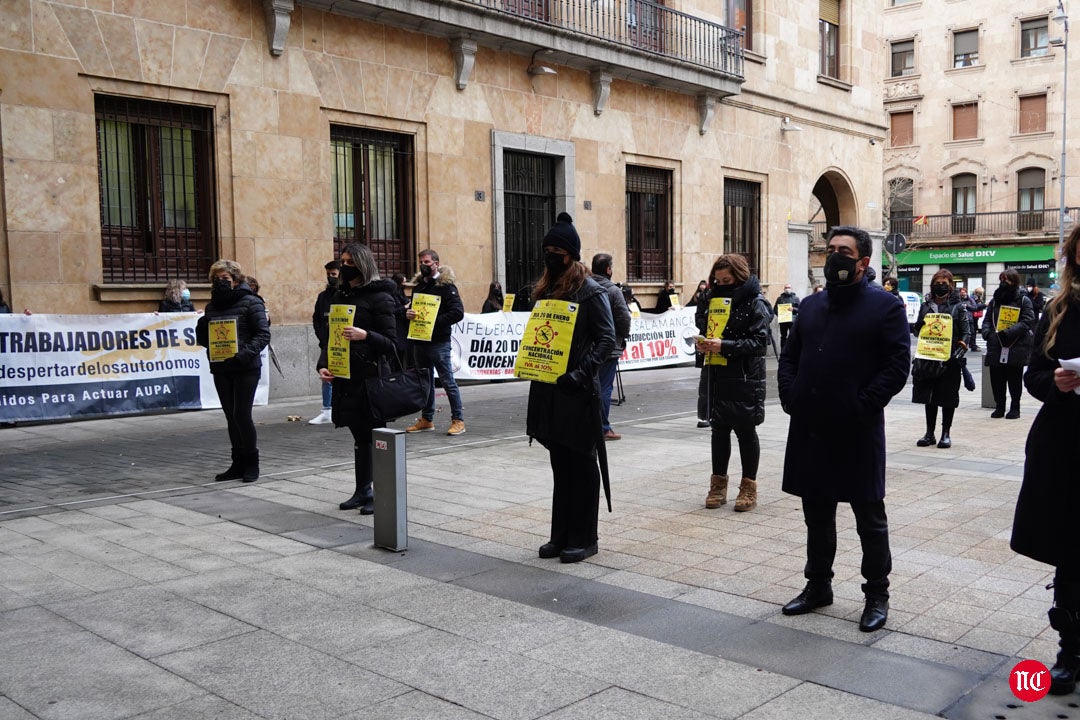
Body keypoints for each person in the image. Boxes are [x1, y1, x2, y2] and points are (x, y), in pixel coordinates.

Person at [777, 226, 910, 633]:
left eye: (844, 251)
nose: (834, 256)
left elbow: (896, 366)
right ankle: (818, 586)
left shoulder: (885, 306)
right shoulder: (812, 305)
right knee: (816, 516)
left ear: (863, 261)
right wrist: (790, 395)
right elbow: (790, 356)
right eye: (831, 249)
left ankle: (876, 594)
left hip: (856, 430)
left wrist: (862, 403)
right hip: (811, 426)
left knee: (869, 517)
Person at [1010, 226, 1080, 695]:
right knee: (1071, 552)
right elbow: (1034, 372)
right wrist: (1052, 382)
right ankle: (1070, 650)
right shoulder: (1059, 309)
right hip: (1065, 445)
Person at [526, 213, 616, 563]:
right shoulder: (546, 289)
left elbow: (606, 339)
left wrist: (581, 373)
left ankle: (584, 537)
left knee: (580, 463)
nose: (550, 254)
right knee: (560, 465)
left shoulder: (590, 291)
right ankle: (560, 534)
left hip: (577, 392)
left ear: (572, 254)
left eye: (557, 250)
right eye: (547, 248)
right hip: (549, 389)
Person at [316, 244, 398, 513]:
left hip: (372, 378)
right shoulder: (340, 296)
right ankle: (362, 489)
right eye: (343, 261)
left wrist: (366, 336)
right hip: (346, 376)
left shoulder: (381, 297)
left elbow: (393, 343)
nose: (345, 267)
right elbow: (330, 337)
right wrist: (323, 365)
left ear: (363, 264)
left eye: (350, 262)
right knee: (358, 437)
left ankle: (381, 492)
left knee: (376, 437)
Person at [694, 254, 770, 512]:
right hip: (716, 370)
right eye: (718, 280)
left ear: (739, 276)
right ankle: (718, 485)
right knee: (718, 429)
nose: (722, 284)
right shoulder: (710, 297)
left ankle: (748, 487)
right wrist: (704, 339)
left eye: (727, 280)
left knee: (746, 431)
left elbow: (760, 344)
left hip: (745, 374)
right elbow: (702, 324)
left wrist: (724, 345)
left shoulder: (755, 302)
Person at [195, 260, 271, 483]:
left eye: (225, 279)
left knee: (242, 414)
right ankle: (237, 462)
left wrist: (243, 355)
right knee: (230, 415)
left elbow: (263, 335)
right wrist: (202, 329)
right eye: (216, 280)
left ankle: (251, 463)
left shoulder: (251, 302)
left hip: (245, 366)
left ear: (236, 281)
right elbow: (206, 340)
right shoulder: (212, 306)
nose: (220, 283)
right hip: (221, 366)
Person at [405, 248, 466, 435]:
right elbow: (414, 310)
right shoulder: (418, 288)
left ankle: (458, 420)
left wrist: (434, 322)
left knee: (447, 381)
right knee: (425, 382)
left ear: (436, 264)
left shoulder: (447, 287)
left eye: (427, 262)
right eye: (421, 263)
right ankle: (427, 419)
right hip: (420, 341)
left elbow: (457, 312)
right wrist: (408, 314)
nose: (423, 265)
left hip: (438, 342)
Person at [910, 270, 969, 449]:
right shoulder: (926, 305)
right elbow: (918, 332)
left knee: (948, 396)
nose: (941, 285)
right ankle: (929, 433)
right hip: (929, 357)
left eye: (944, 282)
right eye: (937, 282)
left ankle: (946, 433)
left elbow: (966, 333)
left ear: (951, 285)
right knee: (930, 396)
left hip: (949, 357)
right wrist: (917, 327)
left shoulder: (958, 307)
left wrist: (957, 354)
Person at [981, 269, 1036, 418]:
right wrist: (987, 333)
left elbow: (1027, 320)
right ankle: (1000, 406)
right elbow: (987, 319)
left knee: (1014, 379)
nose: (1003, 282)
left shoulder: (1024, 300)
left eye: (1007, 279)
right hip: (996, 343)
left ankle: (1015, 407)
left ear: (1014, 281)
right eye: (1001, 279)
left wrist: (1010, 332)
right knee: (996, 379)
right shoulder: (995, 300)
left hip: (1015, 344)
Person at [590, 253, 632, 441]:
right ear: (608, 269)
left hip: (586, 347)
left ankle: (588, 425)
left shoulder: (584, 287)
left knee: (589, 385)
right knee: (604, 387)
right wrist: (622, 336)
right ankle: (603, 427)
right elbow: (623, 317)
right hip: (608, 346)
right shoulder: (613, 291)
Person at [309, 260, 341, 425]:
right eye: (328, 274)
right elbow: (316, 318)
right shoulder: (323, 296)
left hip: (343, 340)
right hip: (327, 342)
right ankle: (327, 410)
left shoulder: (344, 294)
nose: (330, 277)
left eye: (333, 274)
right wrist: (322, 336)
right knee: (326, 375)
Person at [772, 283, 801, 351]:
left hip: (792, 321)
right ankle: (783, 351)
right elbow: (775, 309)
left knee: (793, 336)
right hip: (783, 321)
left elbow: (800, 309)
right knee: (783, 337)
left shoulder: (796, 298)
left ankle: (793, 351)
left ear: (791, 289)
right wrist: (780, 315)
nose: (787, 289)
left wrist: (793, 309)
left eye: (789, 287)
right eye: (786, 287)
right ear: (784, 289)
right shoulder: (780, 299)